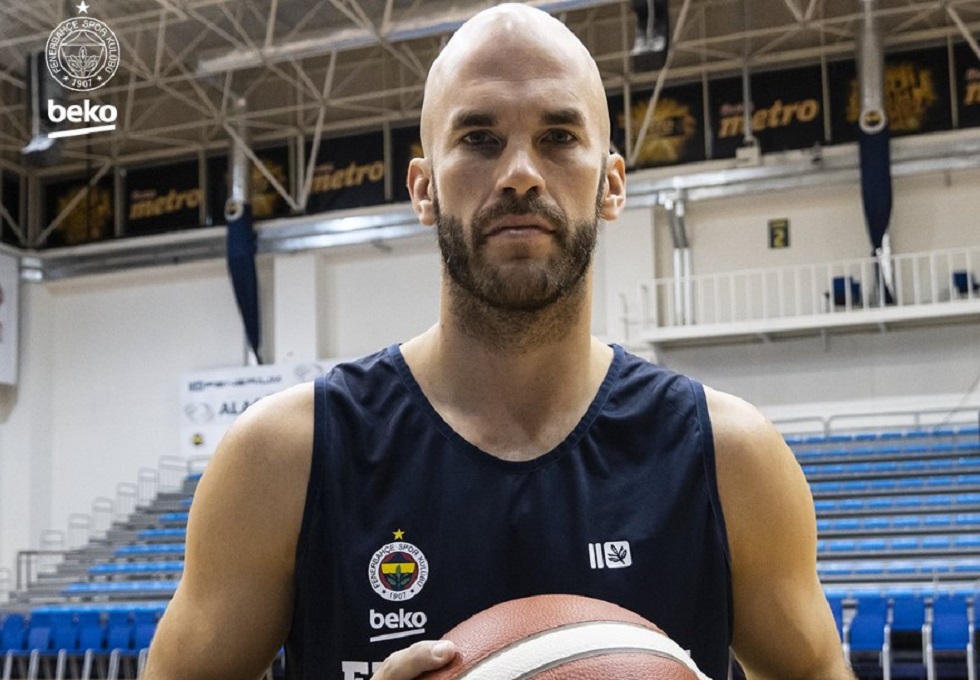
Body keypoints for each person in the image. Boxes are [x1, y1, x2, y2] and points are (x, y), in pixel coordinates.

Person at [144, 4, 854, 680]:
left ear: (611, 186)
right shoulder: (285, 456)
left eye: (559, 137)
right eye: (479, 139)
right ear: (424, 189)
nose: (519, 173)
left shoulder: (728, 457)